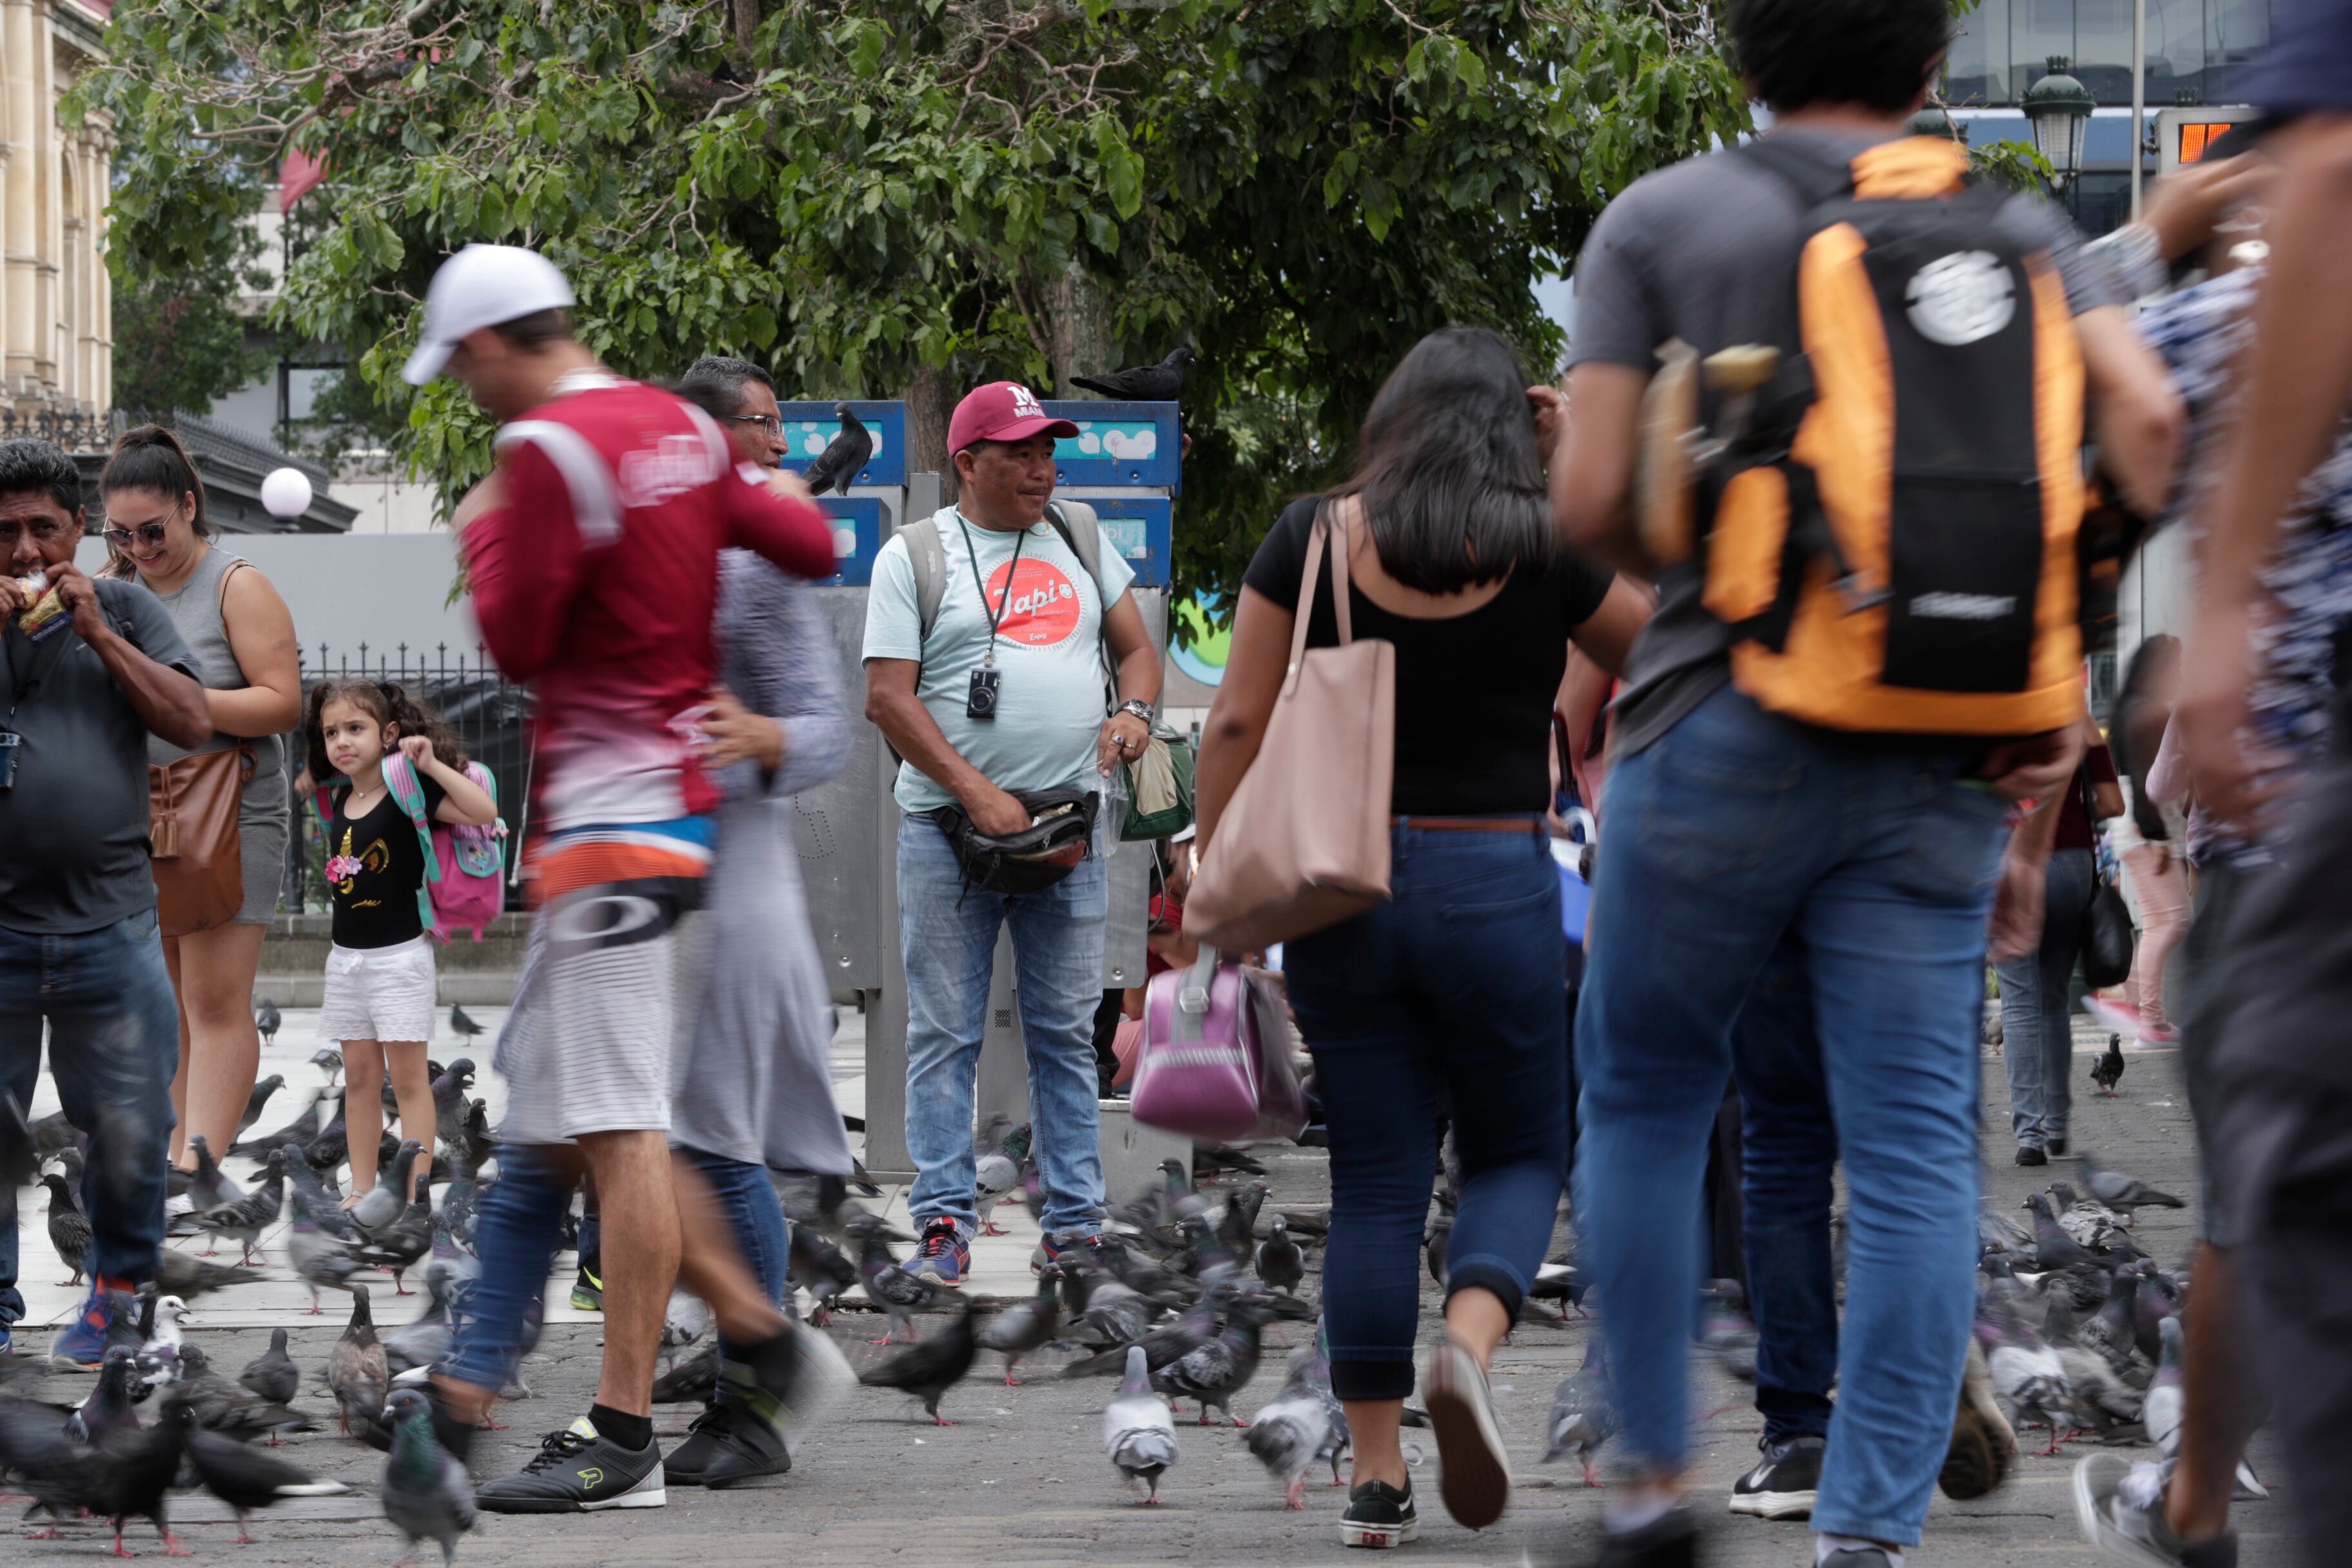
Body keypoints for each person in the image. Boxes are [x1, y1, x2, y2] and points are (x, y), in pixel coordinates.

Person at [1549, 0, 2184, 1562]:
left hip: (1716, 728)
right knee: (1910, 1144)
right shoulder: (2023, 226)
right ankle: (1867, 1536)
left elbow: (1583, 503)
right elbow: (2154, 431)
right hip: (1944, 758)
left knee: (1642, 1096)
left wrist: (1739, 571)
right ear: (1929, 67)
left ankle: (1644, 1488)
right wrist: (2052, 626)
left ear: (1740, 57)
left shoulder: (1662, 219)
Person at [1195, 326, 1649, 1547]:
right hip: (1494, 878)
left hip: (1338, 891)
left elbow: (1235, 719)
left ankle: (1378, 1479)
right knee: (1517, 1151)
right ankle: (1469, 1343)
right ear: (1519, 422)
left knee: (1375, 1181)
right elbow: (1659, 656)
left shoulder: (1311, 533)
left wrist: (1211, 869)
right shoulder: (1545, 542)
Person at [411, 243, 838, 1512]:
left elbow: (522, 638)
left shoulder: (546, 454)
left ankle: (622, 1430)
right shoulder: (680, 428)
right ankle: (760, 1336)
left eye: (464, 366)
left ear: (496, 344)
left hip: (610, 825)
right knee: (567, 1120)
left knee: (623, 1133)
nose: (470, 392)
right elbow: (807, 539)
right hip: (686, 830)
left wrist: (485, 535)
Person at [2077, 25, 2352, 1553]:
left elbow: (2038, 337)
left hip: (2294, 826)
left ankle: (2189, 1500)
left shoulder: (2248, 310)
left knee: (2262, 1193)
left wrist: (2153, 233)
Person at [861, 379, 1164, 1284]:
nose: (1043, 468)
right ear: (968, 462)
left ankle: (1076, 1232)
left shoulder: (1077, 532)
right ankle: (945, 1226)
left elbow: (1137, 650)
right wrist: (977, 791)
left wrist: (1136, 710)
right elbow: (886, 696)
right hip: (949, 834)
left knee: (1066, 1035)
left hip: (1069, 826)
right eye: (1022, 453)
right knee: (944, 1034)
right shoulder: (914, 555)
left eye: (1048, 451)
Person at [661, 351, 858, 1486]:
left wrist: (762, 736)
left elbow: (825, 728)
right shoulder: (659, 540)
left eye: (782, 425)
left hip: (735, 883)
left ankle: (757, 1395)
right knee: (654, 1137)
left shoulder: (759, 559)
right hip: (648, 879)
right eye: (760, 424)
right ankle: (713, 1374)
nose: (780, 446)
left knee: (714, 1139)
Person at [0, 438, 211, 1364]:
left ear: (80, 531)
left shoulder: (122, 607)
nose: (23, 552)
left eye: (43, 528)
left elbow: (193, 722)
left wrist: (96, 633)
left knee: (128, 1126)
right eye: (2, 532)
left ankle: (118, 1300)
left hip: (111, 923)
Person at [97, 426, 302, 1179]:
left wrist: (178, 700)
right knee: (169, 1002)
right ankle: (175, 1158)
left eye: (153, 529)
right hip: (141, 813)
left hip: (229, 808)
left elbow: (283, 704)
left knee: (216, 1001)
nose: (138, 546)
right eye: (120, 532)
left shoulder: (234, 584)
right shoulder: (111, 585)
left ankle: (198, 1169)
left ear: (189, 506)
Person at [302, 680, 498, 1200]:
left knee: (410, 1082)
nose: (342, 741)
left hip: (399, 960)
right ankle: (363, 1190)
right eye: (331, 733)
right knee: (360, 1081)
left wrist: (432, 765)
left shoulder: (409, 788)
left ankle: (412, 1197)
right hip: (346, 961)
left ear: (389, 734)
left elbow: (483, 813)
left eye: (355, 729)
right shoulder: (340, 796)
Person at [1997, 715, 2122, 1167]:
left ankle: (2030, 1134)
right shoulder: (2080, 723)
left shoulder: (1991, 710)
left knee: (2019, 1004)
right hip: (2070, 863)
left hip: (2007, 862)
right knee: (2053, 1001)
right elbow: (2112, 804)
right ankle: (2058, 1127)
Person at [2106, 635, 2188, 1044]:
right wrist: (2157, 836)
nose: (2181, 674)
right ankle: (2148, 1018)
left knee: (2159, 922)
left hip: (2131, 826)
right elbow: (2145, 779)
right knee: (2173, 921)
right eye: (2176, 666)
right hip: (2147, 827)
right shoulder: (2149, 712)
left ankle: (2139, 1006)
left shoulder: (2128, 709)